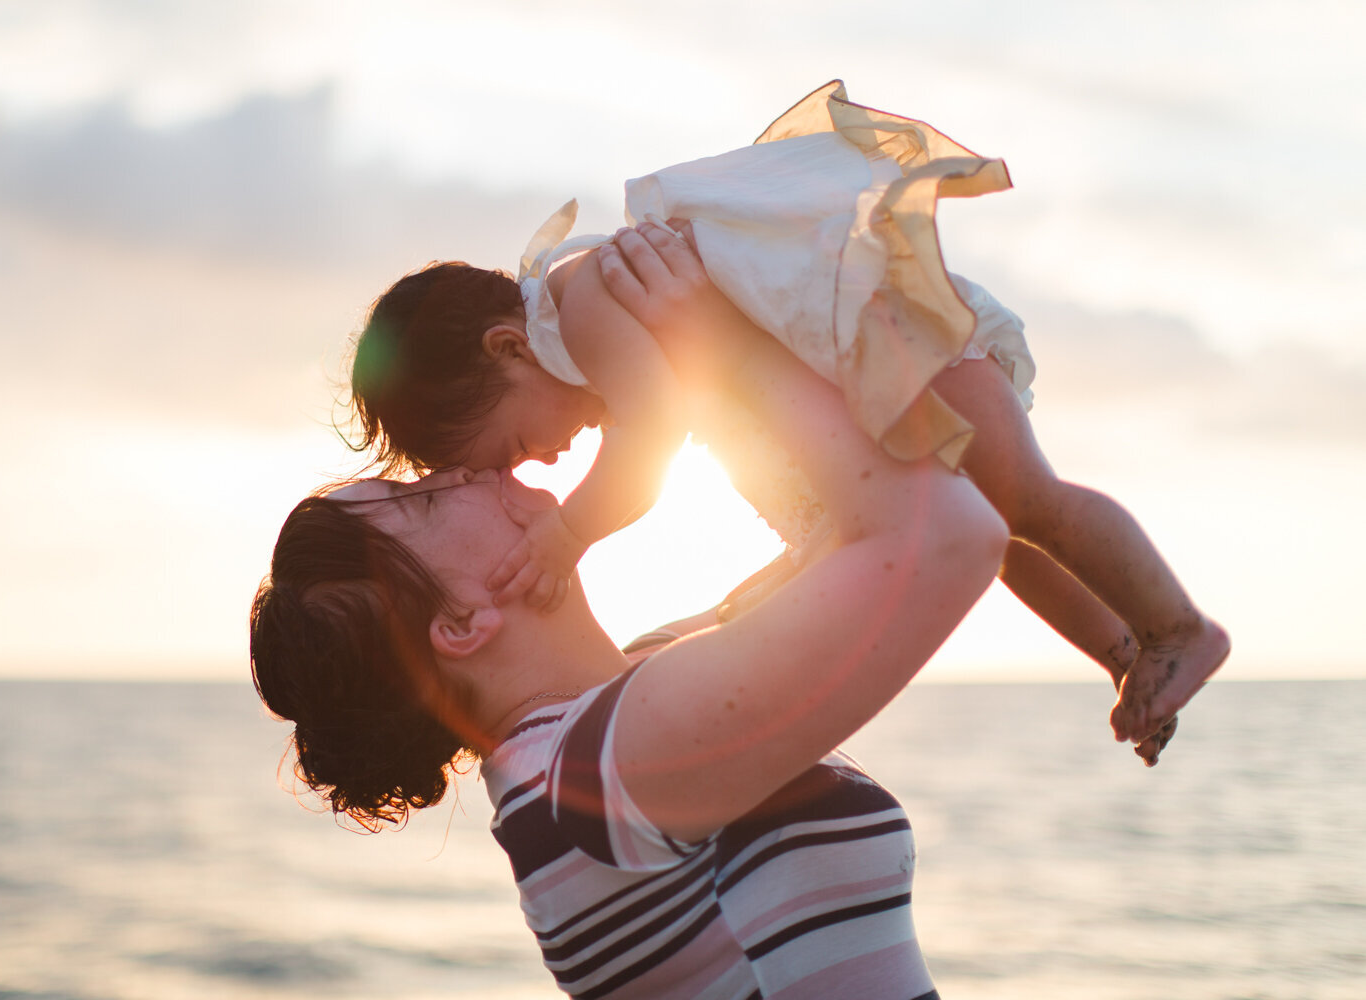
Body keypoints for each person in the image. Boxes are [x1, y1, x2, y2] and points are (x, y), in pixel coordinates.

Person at [346, 81, 1228, 751]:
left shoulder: (580, 305)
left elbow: (649, 440)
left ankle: (1180, 626)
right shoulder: (584, 336)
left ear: (507, 349)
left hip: (895, 341)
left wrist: (572, 533)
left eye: (512, 444)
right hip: (872, 371)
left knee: (1029, 502)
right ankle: (1127, 654)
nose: (539, 461)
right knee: (999, 533)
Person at [251, 232, 1010, 998]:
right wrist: (723, 344)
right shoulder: (597, 774)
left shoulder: (599, 731)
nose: (464, 471)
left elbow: (851, 534)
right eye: (421, 496)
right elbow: (948, 537)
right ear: (458, 625)